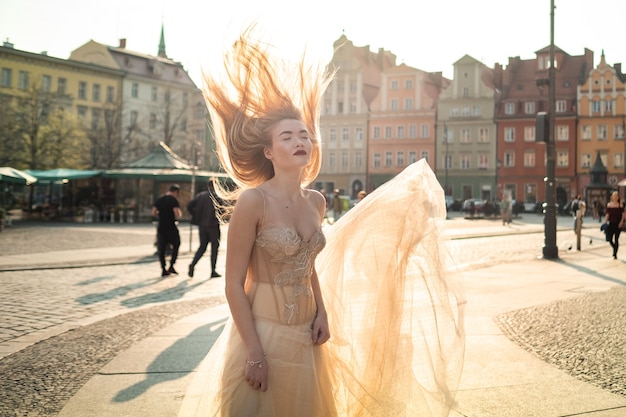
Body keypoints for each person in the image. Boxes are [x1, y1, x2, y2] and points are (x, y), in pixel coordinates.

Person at [194, 27, 464, 417]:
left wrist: (323, 312)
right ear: (268, 151)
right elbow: (234, 284)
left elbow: (309, 267)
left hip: (307, 337)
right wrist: (253, 351)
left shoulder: (316, 202)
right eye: (287, 136)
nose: (300, 140)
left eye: (304, 134)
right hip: (263, 334)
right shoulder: (253, 202)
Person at [187, 181, 222, 278]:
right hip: (213, 226)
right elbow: (223, 210)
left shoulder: (200, 196)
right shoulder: (217, 196)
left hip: (202, 225)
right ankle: (213, 270)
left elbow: (189, 206)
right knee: (214, 249)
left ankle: (193, 264)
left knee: (202, 247)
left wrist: (196, 215)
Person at [151, 184, 182, 277]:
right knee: (176, 244)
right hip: (171, 227)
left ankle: (163, 269)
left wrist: (161, 215)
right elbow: (177, 213)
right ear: (176, 192)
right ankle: (171, 265)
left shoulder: (160, 199)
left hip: (161, 227)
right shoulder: (173, 200)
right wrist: (178, 215)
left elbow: (153, 212)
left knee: (162, 249)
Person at [604, 191, 625, 259]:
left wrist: (622, 222)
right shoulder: (609, 205)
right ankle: (615, 248)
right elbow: (607, 214)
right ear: (612, 197)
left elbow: (623, 215)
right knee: (609, 238)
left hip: (618, 223)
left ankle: (615, 254)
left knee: (616, 238)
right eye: (614, 196)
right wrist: (605, 222)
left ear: (618, 197)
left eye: (616, 196)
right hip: (611, 223)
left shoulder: (620, 205)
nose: (615, 197)